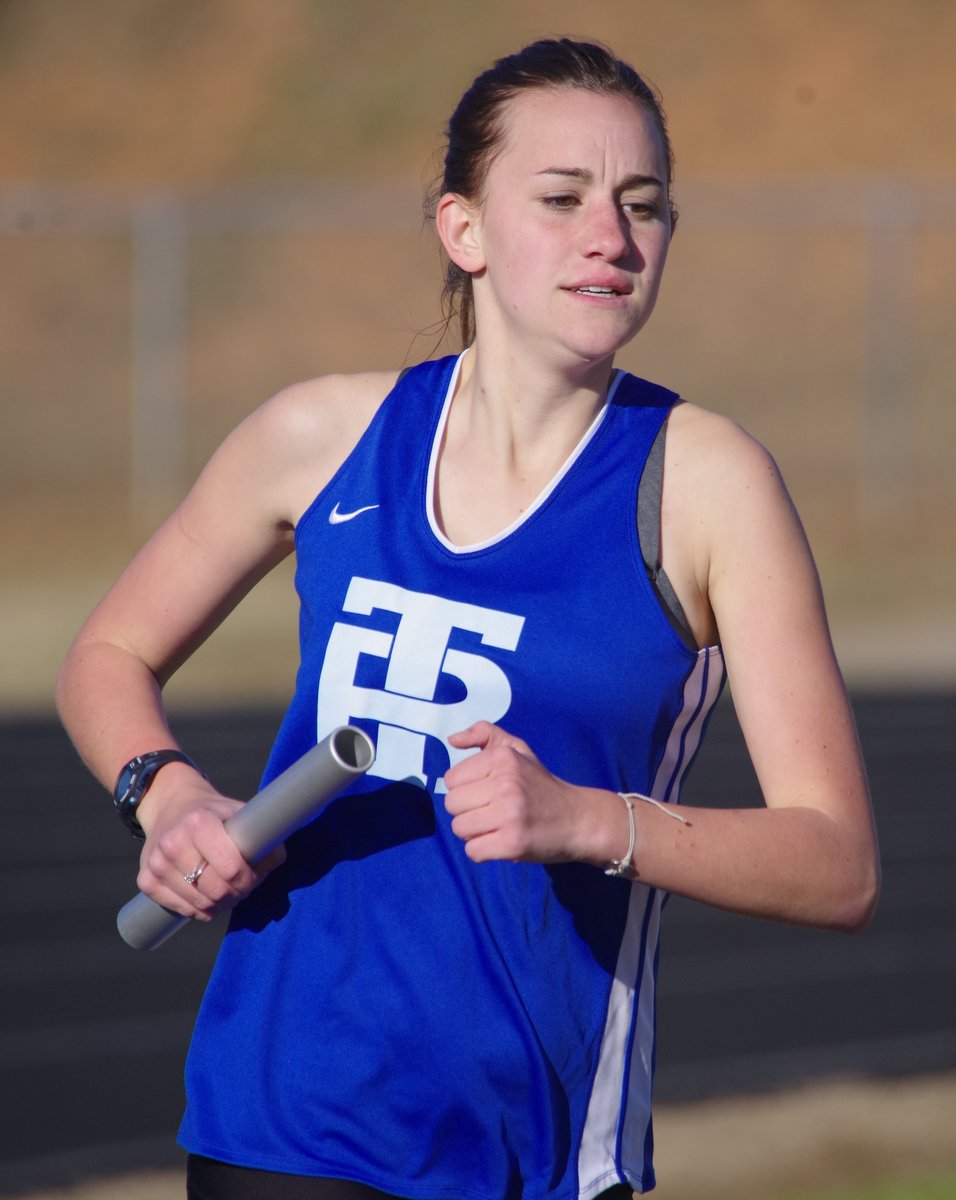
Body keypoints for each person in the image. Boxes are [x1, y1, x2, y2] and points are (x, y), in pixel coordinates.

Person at [57, 37, 878, 1200]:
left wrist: (588, 821)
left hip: (530, 1149)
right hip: (280, 1120)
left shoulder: (707, 486)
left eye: (642, 203)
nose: (610, 236)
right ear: (464, 230)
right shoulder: (321, 435)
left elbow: (835, 865)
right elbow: (108, 652)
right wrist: (170, 793)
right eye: (562, 197)